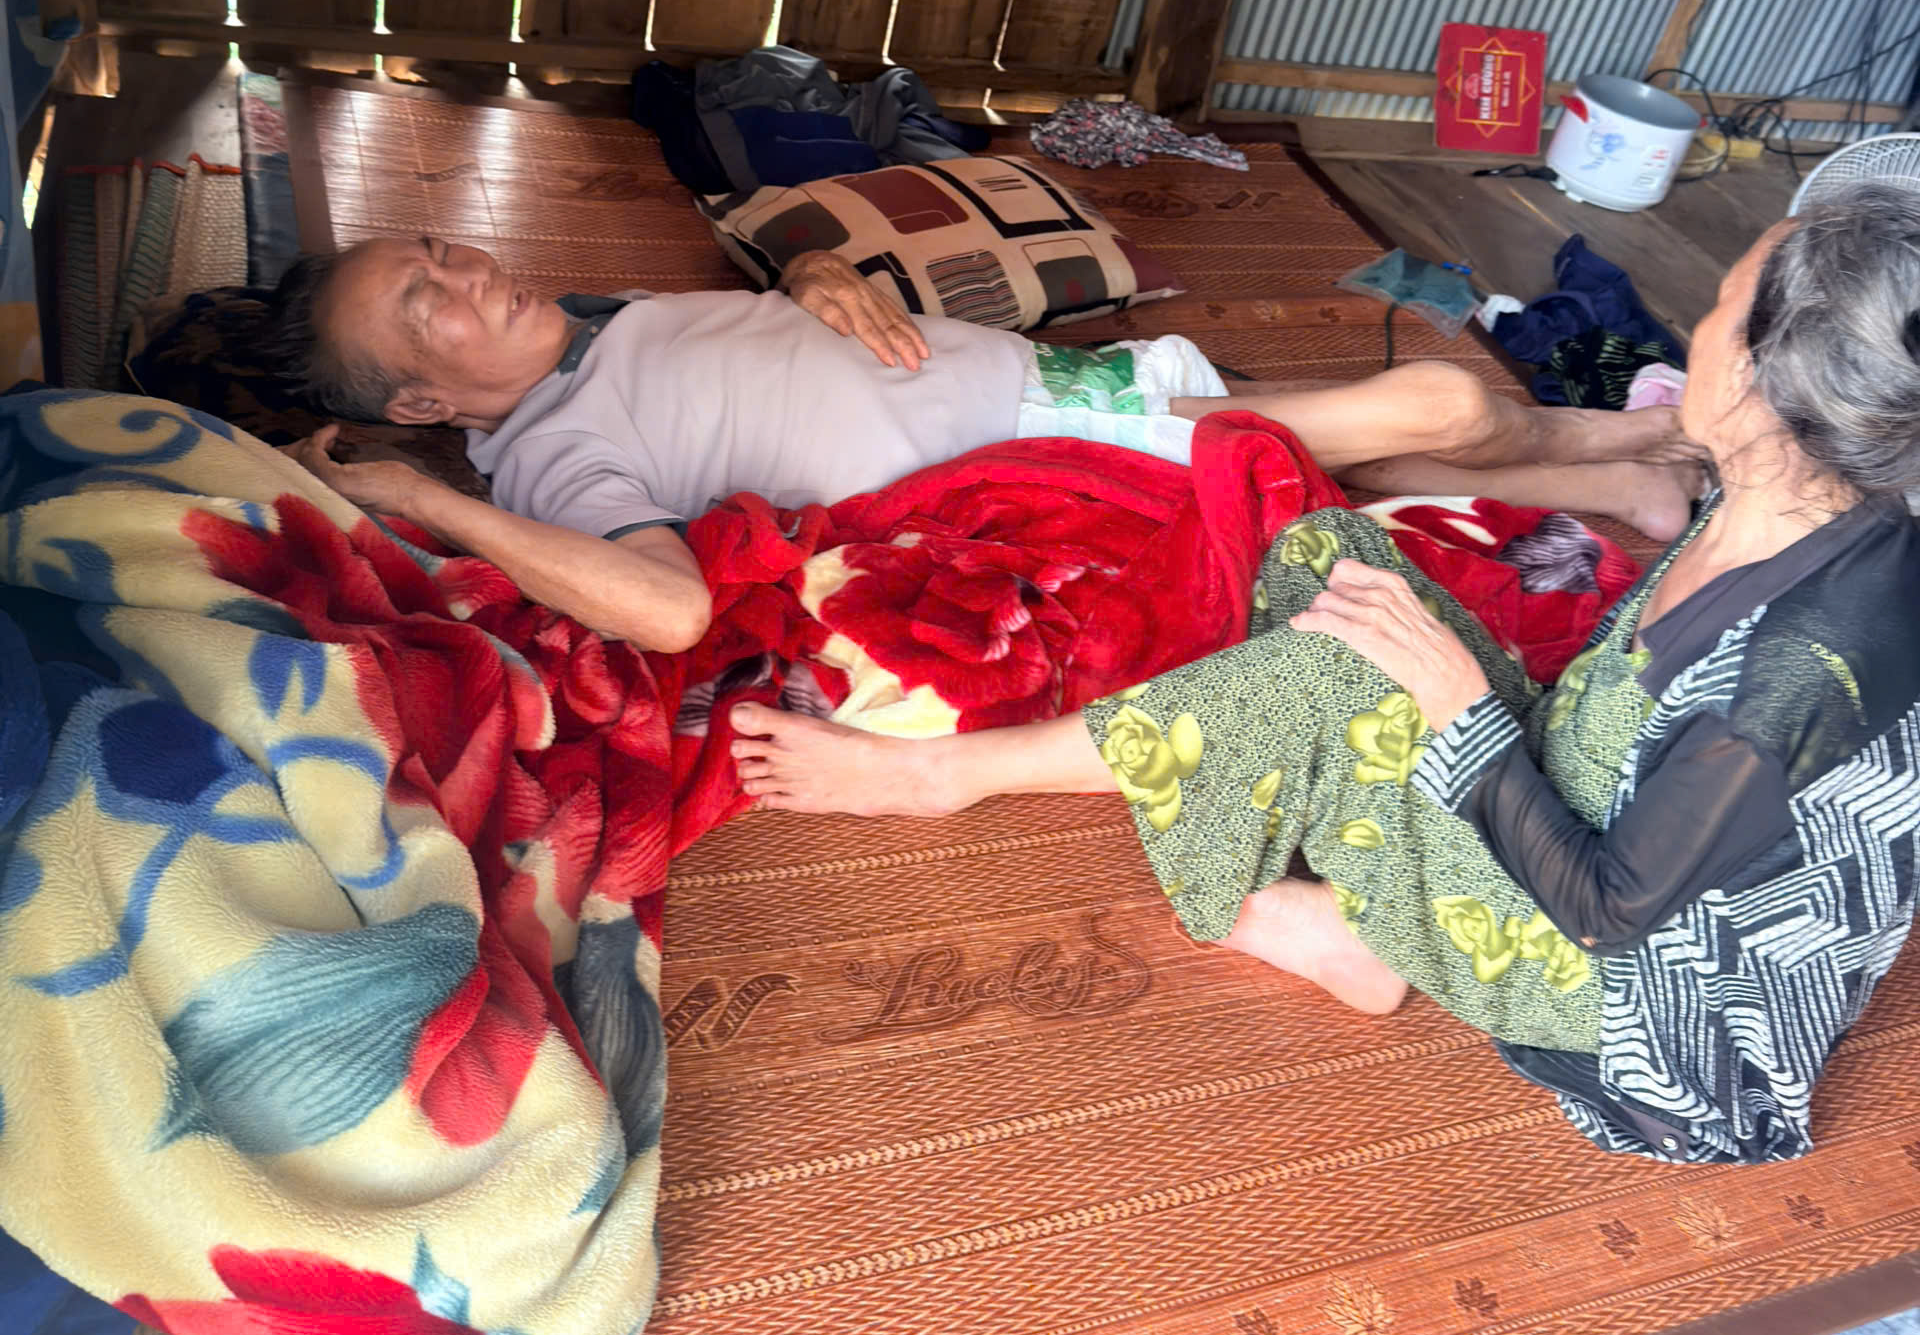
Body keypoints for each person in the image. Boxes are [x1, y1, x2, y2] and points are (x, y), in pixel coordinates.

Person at [731, 184, 1920, 1165]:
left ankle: (948, 778)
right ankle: (1364, 923)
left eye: (1717, 310)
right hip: (1583, 801)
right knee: (1324, 556)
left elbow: (1607, 907)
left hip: (1629, 997)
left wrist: (1457, 703)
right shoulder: (1797, 487)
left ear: (1764, 383)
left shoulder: (1801, 663)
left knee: (1315, 676)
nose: (1693, 332)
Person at [266, 234, 1698, 656]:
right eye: (431, 303)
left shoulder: (603, 321)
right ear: (422, 406)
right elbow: (665, 606)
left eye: (443, 250)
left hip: (1056, 383)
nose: (469, 272)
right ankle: (1677, 427)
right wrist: (418, 503)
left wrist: (807, 279)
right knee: (1438, 404)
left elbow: (749, 345)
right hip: (1040, 450)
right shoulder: (550, 454)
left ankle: (1630, 477)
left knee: (1365, 462)